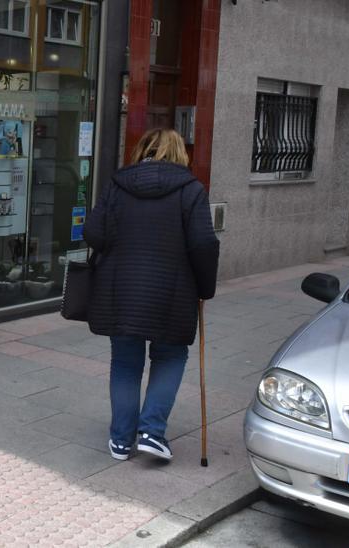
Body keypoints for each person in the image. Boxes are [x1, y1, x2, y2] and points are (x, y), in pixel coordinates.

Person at [83, 128, 220, 462]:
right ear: (179, 154)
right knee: (171, 356)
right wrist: (205, 288)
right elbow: (203, 244)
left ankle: (120, 439)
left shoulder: (118, 185)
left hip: (122, 290)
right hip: (172, 292)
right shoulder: (191, 190)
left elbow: (93, 233)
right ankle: (151, 433)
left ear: (142, 150)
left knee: (126, 362)